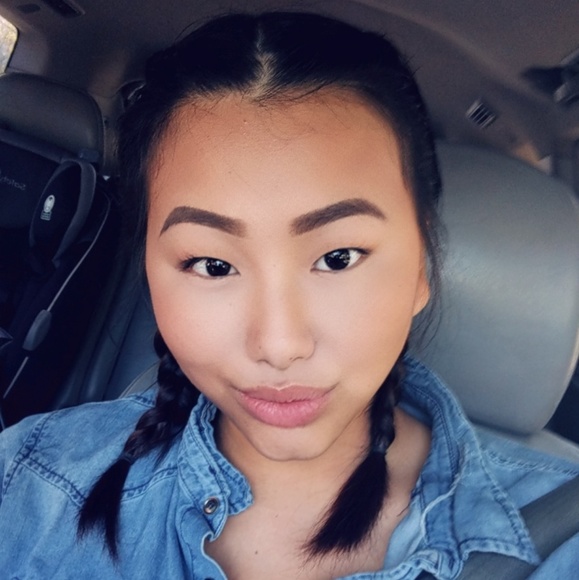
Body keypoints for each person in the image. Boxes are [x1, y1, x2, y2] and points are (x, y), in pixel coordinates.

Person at [0, 11, 578, 579]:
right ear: (148, 268)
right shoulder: (30, 483)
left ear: (422, 266)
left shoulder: (559, 535)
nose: (279, 346)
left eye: (338, 258)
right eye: (213, 265)